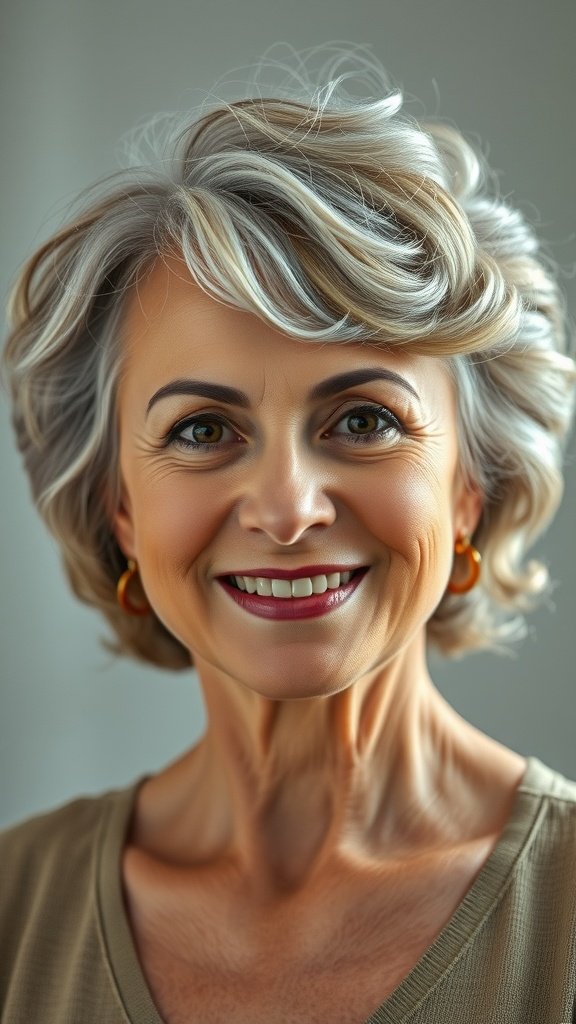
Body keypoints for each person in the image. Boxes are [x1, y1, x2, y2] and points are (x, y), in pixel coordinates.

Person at [1, 50, 575, 1024]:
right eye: (203, 430)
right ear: (120, 510)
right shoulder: (15, 909)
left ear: (470, 486)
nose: (287, 508)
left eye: (362, 420)